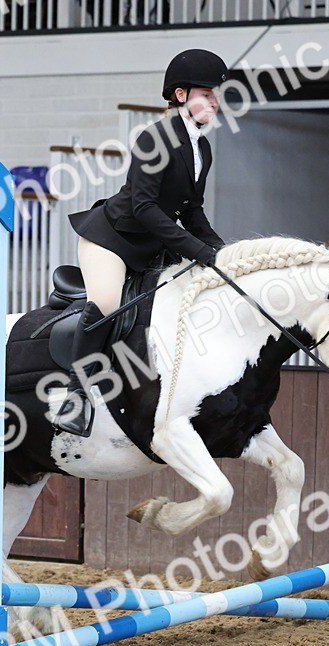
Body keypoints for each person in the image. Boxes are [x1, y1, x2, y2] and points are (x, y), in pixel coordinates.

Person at [57, 48, 229, 437]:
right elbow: (145, 207)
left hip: (154, 244)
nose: (215, 102)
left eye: (217, 94)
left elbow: (193, 210)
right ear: (181, 96)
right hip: (112, 240)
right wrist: (197, 251)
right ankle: (75, 393)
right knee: (107, 303)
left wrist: (221, 251)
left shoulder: (201, 147)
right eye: (207, 93)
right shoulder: (155, 138)